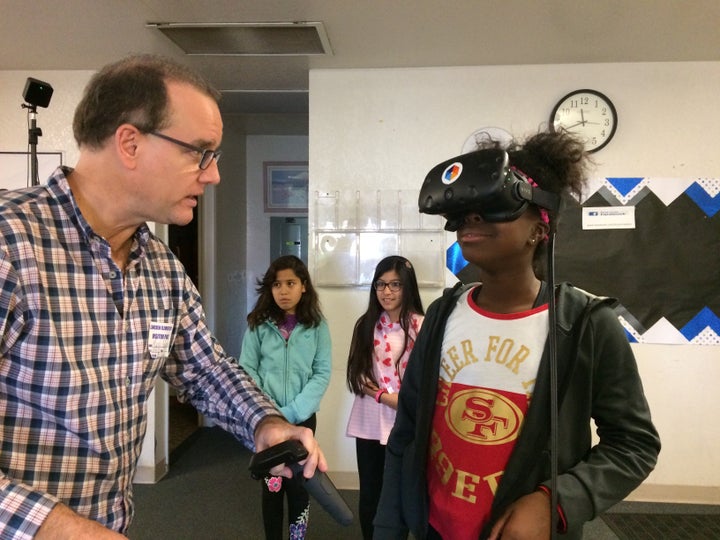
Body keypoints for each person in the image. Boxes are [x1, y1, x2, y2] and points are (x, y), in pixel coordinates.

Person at [0, 54, 326, 539]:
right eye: (200, 152)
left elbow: (206, 370)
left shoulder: (161, 269)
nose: (212, 175)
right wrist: (58, 528)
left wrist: (265, 424)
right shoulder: (10, 244)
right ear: (130, 142)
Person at [373, 131, 661, 540]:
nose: (473, 217)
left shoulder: (585, 326)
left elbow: (634, 445)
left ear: (539, 228)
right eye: (468, 208)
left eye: (493, 206)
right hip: (434, 529)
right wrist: (388, 527)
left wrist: (556, 500)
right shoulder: (441, 315)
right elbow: (406, 434)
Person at [239, 254, 332, 540]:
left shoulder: (317, 326)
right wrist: (270, 412)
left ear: (303, 286)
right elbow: (246, 369)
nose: (283, 291)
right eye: (276, 284)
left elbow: (321, 373)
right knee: (272, 486)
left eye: (290, 283)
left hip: (303, 420)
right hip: (267, 420)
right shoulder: (258, 324)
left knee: (300, 487)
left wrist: (290, 413)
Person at [345, 256, 425, 539]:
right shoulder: (366, 324)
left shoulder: (421, 326)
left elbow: (426, 384)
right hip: (369, 422)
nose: (387, 292)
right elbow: (357, 376)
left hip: (406, 424)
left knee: (402, 493)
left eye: (395, 285)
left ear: (407, 288)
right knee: (370, 493)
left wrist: (385, 397)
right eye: (381, 284)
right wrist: (384, 396)